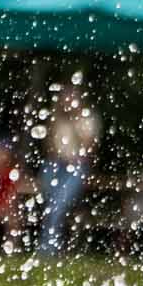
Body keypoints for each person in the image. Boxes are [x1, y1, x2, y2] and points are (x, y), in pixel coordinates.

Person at [36, 84, 100, 258]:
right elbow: (49, 145)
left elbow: (89, 147)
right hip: (56, 164)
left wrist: (75, 120)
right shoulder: (56, 119)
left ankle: (48, 249)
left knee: (57, 205)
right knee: (51, 205)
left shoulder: (87, 119)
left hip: (77, 167)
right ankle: (50, 245)